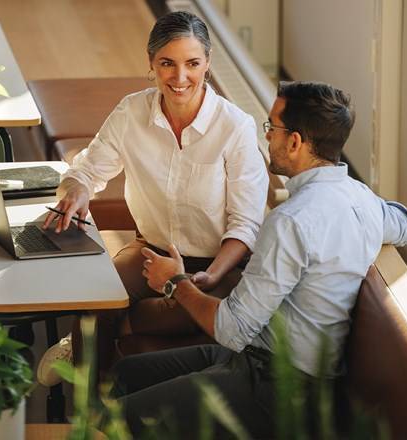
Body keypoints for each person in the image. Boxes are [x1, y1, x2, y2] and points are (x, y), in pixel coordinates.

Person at [113, 81, 407, 436]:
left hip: (277, 389)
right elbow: (406, 225)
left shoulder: (290, 221)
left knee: (115, 418)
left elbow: (230, 328)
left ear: (295, 142)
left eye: (271, 127)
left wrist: (175, 282)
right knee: (123, 374)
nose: (267, 137)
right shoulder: (360, 199)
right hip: (261, 361)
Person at [35, 10, 269, 386]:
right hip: (151, 251)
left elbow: (246, 225)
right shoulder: (131, 111)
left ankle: (112, 334)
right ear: (151, 64)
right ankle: (90, 412)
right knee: (96, 297)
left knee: (169, 312)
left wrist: (204, 277)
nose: (180, 78)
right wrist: (77, 191)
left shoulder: (235, 127)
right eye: (167, 63)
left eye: (192, 63)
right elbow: (88, 170)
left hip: (220, 263)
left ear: (207, 63)